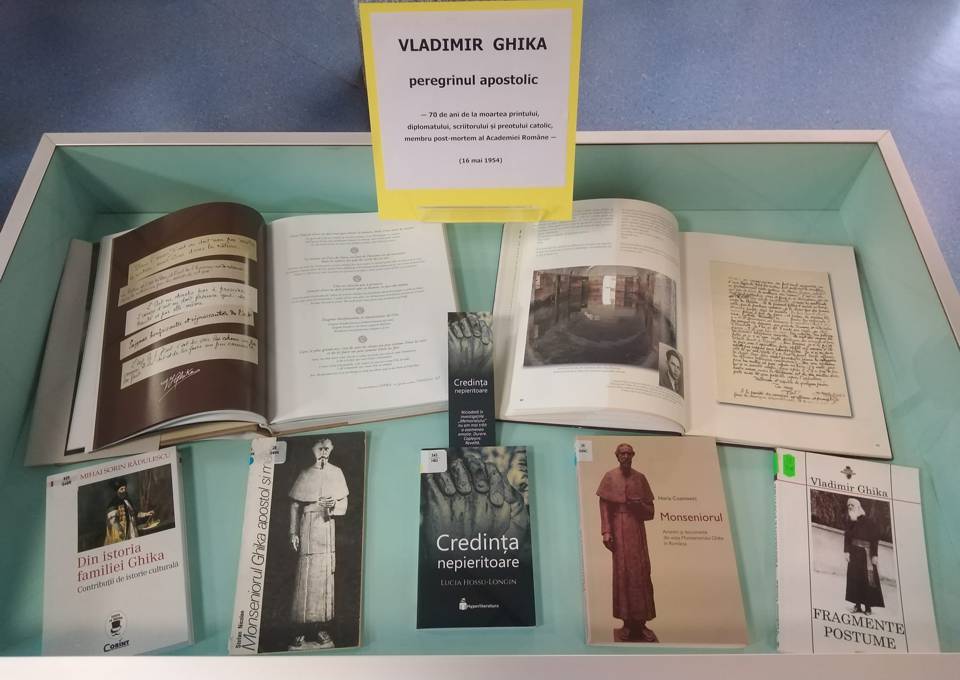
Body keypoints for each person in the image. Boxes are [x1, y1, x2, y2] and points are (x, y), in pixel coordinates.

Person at [288, 438, 349, 650]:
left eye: (327, 448)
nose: (324, 452)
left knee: (324, 575)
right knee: (305, 575)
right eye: (320, 448)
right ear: (312, 450)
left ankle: (320, 629)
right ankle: (300, 630)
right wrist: (293, 532)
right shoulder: (305, 473)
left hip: (326, 526)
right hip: (308, 527)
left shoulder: (337, 472)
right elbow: (295, 505)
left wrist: (333, 504)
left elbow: (344, 503)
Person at [596, 443, 658, 642]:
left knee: (641, 574)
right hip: (618, 529)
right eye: (622, 453)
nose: (625, 456)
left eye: (628, 453)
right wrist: (606, 531)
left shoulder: (640, 478)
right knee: (623, 575)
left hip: (636, 530)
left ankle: (642, 624)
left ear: (633, 455)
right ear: (617, 456)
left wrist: (638, 506)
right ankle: (627, 625)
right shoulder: (610, 477)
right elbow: (604, 506)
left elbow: (650, 512)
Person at [844, 497, 884, 615]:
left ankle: (867, 607)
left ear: (857, 507)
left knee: (867, 580)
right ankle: (857, 606)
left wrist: (874, 555)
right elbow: (847, 538)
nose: (850, 507)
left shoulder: (869, 521)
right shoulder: (850, 522)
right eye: (848, 505)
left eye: (852, 505)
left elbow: (874, 539)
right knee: (854, 579)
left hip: (866, 555)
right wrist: (846, 552)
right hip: (854, 554)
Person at [103, 477, 154, 546]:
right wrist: (120, 532)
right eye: (121, 489)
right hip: (120, 534)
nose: (124, 490)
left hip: (132, 531)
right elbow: (113, 522)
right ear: (117, 491)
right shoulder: (113, 504)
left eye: (125, 488)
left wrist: (146, 514)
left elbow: (134, 513)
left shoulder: (127, 501)